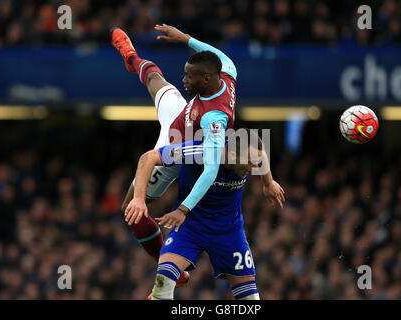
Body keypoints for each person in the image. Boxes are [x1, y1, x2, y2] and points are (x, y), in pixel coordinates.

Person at [111, 25, 284, 285]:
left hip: (181, 149)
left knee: (129, 208)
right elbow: (215, 54)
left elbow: (211, 170)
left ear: (205, 80)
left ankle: (171, 267)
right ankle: (131, 56)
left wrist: (181, 210)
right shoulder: (227, 70)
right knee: (154, 79)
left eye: (189, 77)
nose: (184, 80)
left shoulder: (214, 119)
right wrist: (185, 38)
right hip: (180, 116)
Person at [124, 128, 285, 300]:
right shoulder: (198, 152)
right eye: (249, 163)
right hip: (190, 227)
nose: (254, 168)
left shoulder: (245, 154)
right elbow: (148, 158)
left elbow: (261, 155)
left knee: (250, 299)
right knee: (163, 285)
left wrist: (268, 182)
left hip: (229, 231)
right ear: (232, 156)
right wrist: (139, 199)